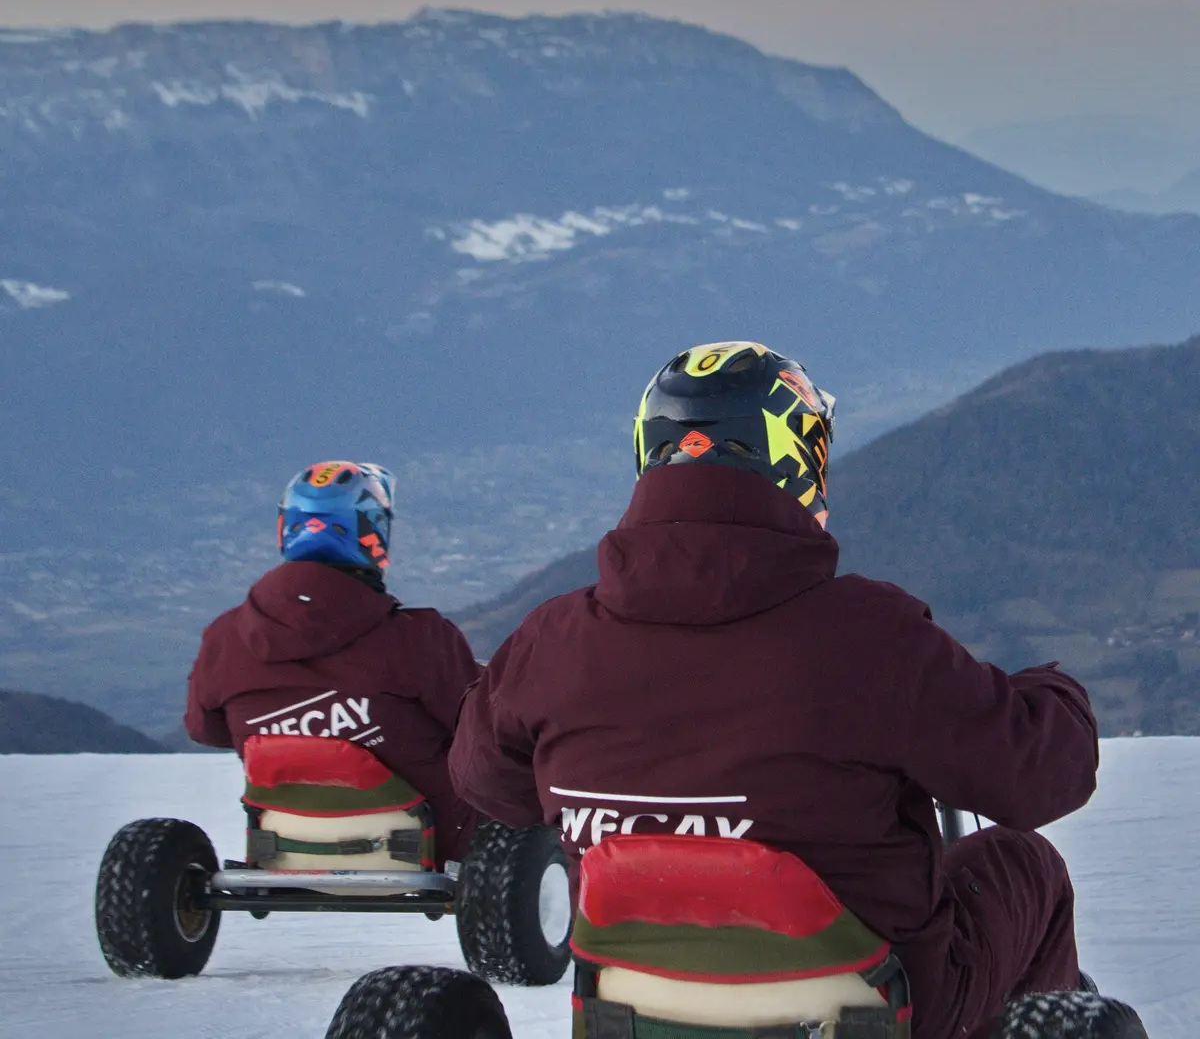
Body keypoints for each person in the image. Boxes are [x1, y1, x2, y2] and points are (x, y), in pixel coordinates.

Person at [448, 342, 1099, 1038]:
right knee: (1025, 867)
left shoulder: (552, 642)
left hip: (635, 1007)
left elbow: (486, 780)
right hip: (879, 1008)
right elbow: (1037, 781)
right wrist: (1053, 695)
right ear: (795, 456)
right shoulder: (869, 635)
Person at [186, 460, 481, 865]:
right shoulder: (418, 638)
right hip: (438, 843)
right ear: (372, 530)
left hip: (284, 844)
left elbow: (205, 729)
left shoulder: (224, 638)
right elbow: (482, 727)